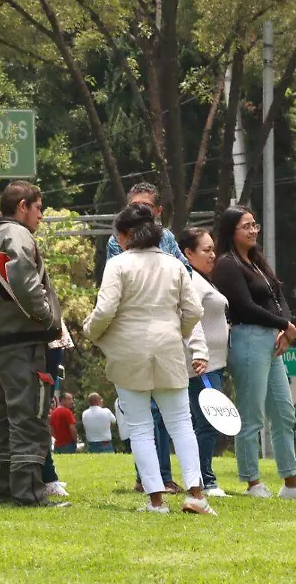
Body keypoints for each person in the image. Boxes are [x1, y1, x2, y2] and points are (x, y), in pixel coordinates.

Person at [85, 203, 213, 514]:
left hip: (129, 351)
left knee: (141, 427)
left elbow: (104, 311)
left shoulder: (118, 265)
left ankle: (156, 500)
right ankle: (196, 494)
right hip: (169, 348)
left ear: (127, 235)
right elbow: (194, 311)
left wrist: (93, 333)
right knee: (182, 424)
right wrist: (176, 331)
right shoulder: (174, 264)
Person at [0, 180, 65, 508]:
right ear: (22, 206)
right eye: (38, 208)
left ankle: (2, 489)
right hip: (21, 341)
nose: (41, 216)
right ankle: (28, 493)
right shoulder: (18, 236)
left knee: (2, 417)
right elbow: (26, 284)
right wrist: (49, 320)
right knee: (27, 415)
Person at [211, 205, 296, 500]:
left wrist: (285, 328)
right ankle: (252, 481)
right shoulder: (227, 264)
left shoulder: (256, 261)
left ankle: (291, 483)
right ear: (232, 231)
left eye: (255, 225)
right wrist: (284, 324)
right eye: (247, 226)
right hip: (248, 338)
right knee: (252, 413)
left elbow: (278, 296)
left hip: (271, 339)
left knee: (283, 412)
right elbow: (244, 306)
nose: (254, 231)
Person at [107, 183, 187, 492]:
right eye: (133, 206)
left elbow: (186, 274)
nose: (138, 213)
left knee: (169, 413)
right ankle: (152, 479)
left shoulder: (167, 239)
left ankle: (163, 479)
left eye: (145, 207)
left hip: (166, 332)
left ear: (157, 212)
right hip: (134, 338)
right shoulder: (118, 242)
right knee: (144, 417)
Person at [180, 227, 230, 497]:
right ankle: (205, 480)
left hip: (214, 364)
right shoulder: (191, 282)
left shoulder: (203, 280)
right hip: (200, 367)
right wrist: (197, 354)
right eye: (206, 250)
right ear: (188, 253)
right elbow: (188, 319)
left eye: (213, 249)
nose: (213, 255)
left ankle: (205, 476)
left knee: (208, 423)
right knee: (207, 423)